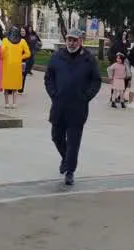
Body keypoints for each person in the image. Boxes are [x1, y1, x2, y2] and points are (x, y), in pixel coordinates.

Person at [44, 28, 102, 186]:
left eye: (74, 40)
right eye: (69, 39)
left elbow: (96, 81)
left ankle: (70, 170)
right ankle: (66, 158)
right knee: (56, 136)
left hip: (78, 106)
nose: (71, 43)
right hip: (59, 104)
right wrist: (53, 93)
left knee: (74, 141)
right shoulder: (57, 57)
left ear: (80, 41)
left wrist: (86, 97)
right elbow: (48, 77)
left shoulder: (88, 59)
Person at [0, 26, 33, 109]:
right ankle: (14, 104)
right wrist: (20, 57)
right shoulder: (22, 41)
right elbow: (28, 53)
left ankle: (6, 104)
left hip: (7, 65)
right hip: (17, 65)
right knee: (15, 86)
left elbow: (2, 53)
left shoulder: (5, 41)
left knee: (6, 87)